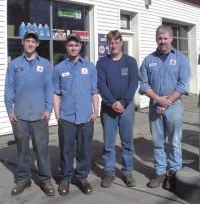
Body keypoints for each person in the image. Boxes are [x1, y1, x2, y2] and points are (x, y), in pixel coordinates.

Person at [139, 25, 190, 190]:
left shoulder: (181, 59)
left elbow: (183, 85)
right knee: (158, 142)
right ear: (156, 39)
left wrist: (166, 102)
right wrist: (157, 99)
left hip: (174, 106)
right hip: (155, 107)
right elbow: (144, 84)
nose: (162, 41)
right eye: (160, 38)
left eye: (165, 38)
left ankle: (174, 172)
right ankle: (160, 172)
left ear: (171, 39)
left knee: (174, 141)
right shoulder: (148, 60)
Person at [4, 30, 55, 196]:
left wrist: (48, 110)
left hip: (40, 116)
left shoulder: (46, 64)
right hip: (20, 116)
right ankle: (23, 179)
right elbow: (9, 88)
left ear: (38, 44)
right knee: (23, 150)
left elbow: (49, 89)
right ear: (23, 43)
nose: (30, 44)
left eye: (33, 41)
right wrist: (10, 111)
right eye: (28, 41)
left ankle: (45, 179)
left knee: (42, 150)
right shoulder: (14, 65)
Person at [53, 33, 99, 196]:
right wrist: (58, 116)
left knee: (84, 149)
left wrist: (96, 112)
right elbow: (56, 94)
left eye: (76, 45)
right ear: (66, 47)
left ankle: (81, 177)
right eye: (70, 45)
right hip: (66, 117)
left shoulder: (90, 67)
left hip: (86, 117)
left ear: (80, 47)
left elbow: (94, 91)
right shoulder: (59, 68)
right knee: (66, 150)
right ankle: (65, 178)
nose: (73, 48)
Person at [96, 30, 139, 188]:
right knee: (108, 143)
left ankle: (127, 172)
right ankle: (108, 172)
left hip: (127, 108)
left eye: (116, 42)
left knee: (127, 142)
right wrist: (113, 102)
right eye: (110, 42)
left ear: (121, 43)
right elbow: (100, 84)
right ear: (108, 44)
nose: (113, 45)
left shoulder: (130, 61)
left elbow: (134, 83)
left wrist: (124, 102)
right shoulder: (102, 63)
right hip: (108, 109)